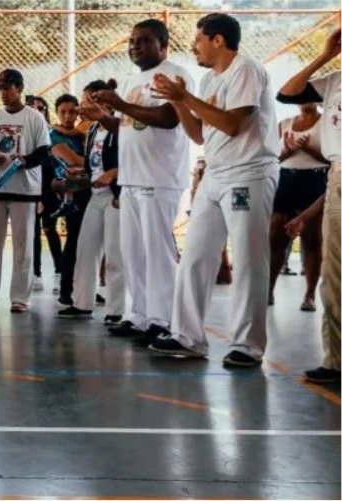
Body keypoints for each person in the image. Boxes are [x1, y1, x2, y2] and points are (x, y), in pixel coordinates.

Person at [148, 14, 277, 367]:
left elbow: (233, 125)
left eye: (199, 40)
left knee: (248, 259)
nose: (194, 47)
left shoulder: (246, 69)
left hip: (248, 174)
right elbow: (199, 135)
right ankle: (187, 337)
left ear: (218, 40)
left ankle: (247, 346)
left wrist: (186, 96)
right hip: (215, 174)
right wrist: (178, 101)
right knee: (195, 257)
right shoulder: (208, 79)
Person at [91, 19, 192, 345]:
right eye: (132, 41)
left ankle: (162, 320)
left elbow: (168, 118)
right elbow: (128, 125)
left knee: (157, 251)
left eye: (144, 40)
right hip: (132, 178)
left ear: (163, 44)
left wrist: (120, 104)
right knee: (132, 251)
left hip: (159, 177)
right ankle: (139, 315)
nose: (135, 46)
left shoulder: (174, 74)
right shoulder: (131, 79)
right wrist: (103, 117)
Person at [278, 28, 340, 384]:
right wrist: (325, 55)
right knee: (335, 276)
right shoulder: (333, 81)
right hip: (337, 174)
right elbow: (287, 93)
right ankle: (336, 362)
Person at [0, 69, 51, 313]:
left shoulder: (34, 118)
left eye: (7, 87)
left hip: (25, 190)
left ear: (19, 88)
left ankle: (20, 297)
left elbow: (43, 152)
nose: (3, 92)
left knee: (23, 244)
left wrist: (24, 161)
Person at [58, 79, 125, 325]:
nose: (82, 107)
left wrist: (113, 174)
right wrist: (80, 173)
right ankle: (82, 302)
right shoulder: (94, 129)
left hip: (114, 196)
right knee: (85, 249)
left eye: (88, 101)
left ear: (104, 102)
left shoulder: (120, 126)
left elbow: (133, 160)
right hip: (96, 196)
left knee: (114, 254)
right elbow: (92, 163)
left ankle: (115, 309)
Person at [268, 102, 328, 310]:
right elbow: (271, 158)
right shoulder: (284, 124)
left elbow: (335, 159)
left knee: (312, 241)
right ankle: (268, 290)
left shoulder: (327, 122)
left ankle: (310, 295)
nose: (304, 100)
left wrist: (309, 149)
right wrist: (288, 151)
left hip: (316, 180)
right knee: (276, 239)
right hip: (286, 180)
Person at [48, 93, 89, 306]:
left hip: (88, 188)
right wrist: (93, 163)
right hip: (70, 191)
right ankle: (66, 290)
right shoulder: (53, 135)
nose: (67, 116)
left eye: (72, 111)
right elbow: (73, 160)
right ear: (56, 112)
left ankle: (86, 289)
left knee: (89, 242)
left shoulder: (83, 133)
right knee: (73, 240)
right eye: (63, 112)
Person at [26, 95, 62, 292]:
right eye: (33, 108)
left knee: (49, 228)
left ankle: (60, 271)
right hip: (30, 186)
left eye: (41, 108)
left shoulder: (52, 132)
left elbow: (52, 163)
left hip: (49, 187)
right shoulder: (25, 131)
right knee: (33, 232)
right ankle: (35, 273)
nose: (37, 111)